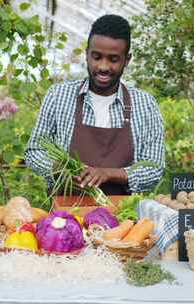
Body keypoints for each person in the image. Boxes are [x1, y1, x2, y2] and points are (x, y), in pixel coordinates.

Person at [24, 14, 164, 195]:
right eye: (97, 57)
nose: (103, 67)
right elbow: (34, 150)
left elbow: (154, 167)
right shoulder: (58, 96)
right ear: (86, 54)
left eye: (113, 59)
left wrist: (109, 174)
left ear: (126, 60)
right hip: (65, 216)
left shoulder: (145, 104)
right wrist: (58, 168)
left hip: (123, 217)